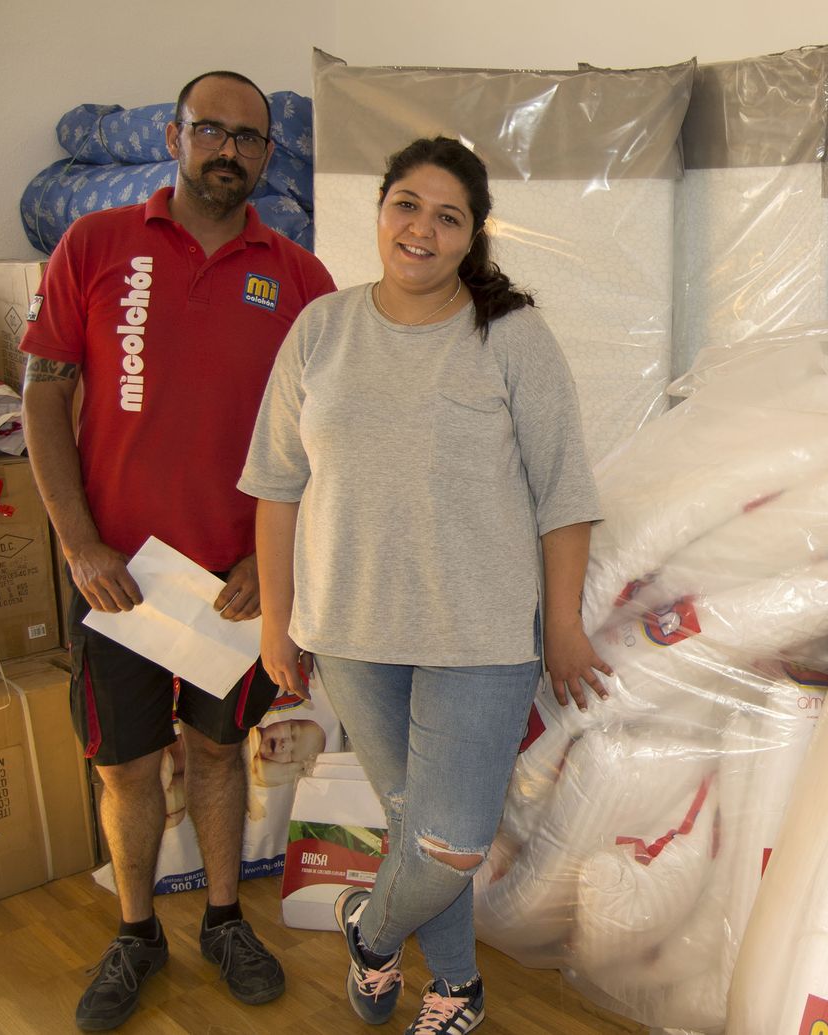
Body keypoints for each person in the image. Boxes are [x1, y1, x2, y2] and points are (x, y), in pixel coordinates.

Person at [239, 135, 610, 1035]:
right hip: (351, 630)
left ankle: (370, 931)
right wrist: (277, 621)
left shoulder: (511, 336)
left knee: (448, 842)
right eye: (407, 204)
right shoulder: (320, 329)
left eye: (448, 216)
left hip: (479, 636)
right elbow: (278, 484)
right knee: (413, 823)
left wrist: (561, 624)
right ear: (380, 210)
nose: (422, 229)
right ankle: (456, 984)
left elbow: (565, 492)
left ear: (472, 236)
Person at [20, 70, 337, 1031]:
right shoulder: (97, 245)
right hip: (120, 577)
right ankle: (134, 932)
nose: (228, 150)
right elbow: (42, 397)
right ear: (174, 135)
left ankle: (223, 918)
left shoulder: (297, 276)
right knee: (122, 764)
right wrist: (79, 544)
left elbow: (332, 435)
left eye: (249, 137)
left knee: (214, 752)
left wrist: (267, 561)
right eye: (212, 130)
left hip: (230, 586)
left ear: (267, 155)